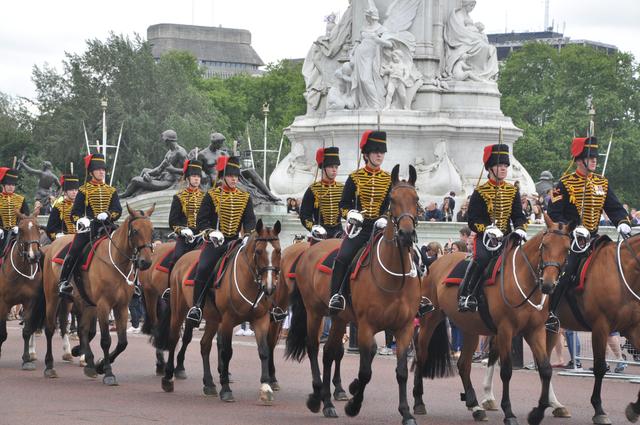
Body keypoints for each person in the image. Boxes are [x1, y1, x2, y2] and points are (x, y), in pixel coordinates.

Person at [546, 136, 631, 332]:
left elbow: (615, 208)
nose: (594, 160)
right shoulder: (564, 184)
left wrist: (623, 222)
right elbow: (554, 215)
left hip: (594, 237)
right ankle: (551, 314)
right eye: (589, 157)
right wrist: (573, 228)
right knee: (566, 271)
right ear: (579, 160)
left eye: (595, 157)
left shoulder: (602, 182)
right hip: (571, 239)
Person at [186, 156, 256, 325]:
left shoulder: (245, 197)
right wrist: (210, 232)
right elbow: (202, 221)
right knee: (203, 267)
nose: (234, 179)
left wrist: (247, 235)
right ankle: (197, 307)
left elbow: (250, 220)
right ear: (223, 176)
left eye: (236, 176)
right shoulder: (212, 195)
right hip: (216, 241)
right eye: (231, 176)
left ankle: (261, 307)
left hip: (236, 241)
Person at [457, 144, 528, 312]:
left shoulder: (512, 191)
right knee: (481, 259)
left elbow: (518, 215)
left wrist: (520, 228)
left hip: (507, 237)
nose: (503, 168)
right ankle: (466, 294)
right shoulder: (480, 191)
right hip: (486, 239)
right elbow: (472, 220)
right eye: (499, 165)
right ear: (490, 168)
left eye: (505, 165)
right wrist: (487, 229)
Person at [328, 130, 391, 313]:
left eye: (382, 151)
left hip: (380, 228)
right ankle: (336, 295)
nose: (379, 154)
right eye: (375, 151)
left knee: (407, 253)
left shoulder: (387, 179)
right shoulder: (355, 178)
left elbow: (389, 205)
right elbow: (343, 205)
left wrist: (385, 218)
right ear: (366, 154)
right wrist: (350, 214)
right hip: (359, 229)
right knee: (342, 257)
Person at [58, 153, 122, 297]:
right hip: (89, 230)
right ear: (91, 172)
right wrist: (82, 220)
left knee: (128, 247)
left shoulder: (111, 190)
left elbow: (118, 210)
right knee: (74, 250)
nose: (101, 172)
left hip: (108, 228)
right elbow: (75, 213)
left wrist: (108, 214)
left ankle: (133, 285)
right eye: (98, 169)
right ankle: (64, 281)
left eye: (103, 169)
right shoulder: (83, 190)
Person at [120, 129, 187, 198]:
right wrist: (148, 173)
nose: (163, 143)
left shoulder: (181, 152)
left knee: (135, 180)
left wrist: (173, 170)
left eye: (164, 140)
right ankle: (138, 191)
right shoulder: (169, 153)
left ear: (168, 140)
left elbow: (188, 170)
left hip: (169, 182)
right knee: (145, 170)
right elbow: (159, 170)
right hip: (163, 177)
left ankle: (125, 195)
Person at [168, 159, 205, 271]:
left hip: (202, 236)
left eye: (198, 176)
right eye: (194, 176)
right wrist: (182, 230)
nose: (196, 178)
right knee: (176, 257)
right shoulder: (179, 197)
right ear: (188, 178)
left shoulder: (206, 197)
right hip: (185, 237)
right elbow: (173, 222)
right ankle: (170, 287)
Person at [299, 146, 344, 239]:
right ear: (323, 168)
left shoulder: (342, 189)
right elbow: (304, 215)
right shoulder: (313, 189)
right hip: (320, 233)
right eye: (331, 167)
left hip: (339, 232)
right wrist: (314, 228)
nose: (334, 170)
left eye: (336, 167)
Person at [0, 167, 30, 254]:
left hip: (17, 232)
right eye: (9, 185)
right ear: (3, 185)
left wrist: (19, 226)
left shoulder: (21, 199)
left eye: (13, 185)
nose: (11, 187)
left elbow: (26, 217)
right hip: (1, 233)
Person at [46, 173, 80, 240]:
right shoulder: (58, 207)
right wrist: (57, 235)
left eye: (76, 190)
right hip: (65, 241)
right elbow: (50, 229)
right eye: (71, 190)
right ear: (65, 192)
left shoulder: (82, 206)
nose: (74, 192)